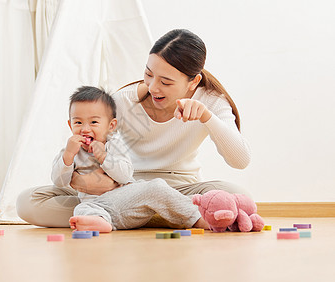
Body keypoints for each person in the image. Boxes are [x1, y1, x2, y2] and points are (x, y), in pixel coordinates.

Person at [16, 29, 250, 229]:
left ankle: (127, 216)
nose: (153, 87)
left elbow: (240, 160)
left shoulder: (211, 101)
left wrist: (207, 117)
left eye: (166, 82)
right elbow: (89, 155)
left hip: (180, 187)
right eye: (148, 74)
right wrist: (86, 181)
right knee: (27, 201)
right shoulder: (121, 103)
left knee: (239, 194)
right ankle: (163, 213)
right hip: (122, 186)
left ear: (193, 82)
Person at [52, 86, 205, 232]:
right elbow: (59, 181)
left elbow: (124, 176)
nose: (85, 129)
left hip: (127, 201)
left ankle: (197, 218)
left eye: (93, 122)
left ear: (111, 126)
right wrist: (68, 156)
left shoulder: (115, 145)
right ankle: (101, 222)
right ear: (70, 125)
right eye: (78, 122)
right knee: (81, 209)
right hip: (97, 206)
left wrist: (104, 157)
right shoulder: (70, 152)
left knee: (156, 187)